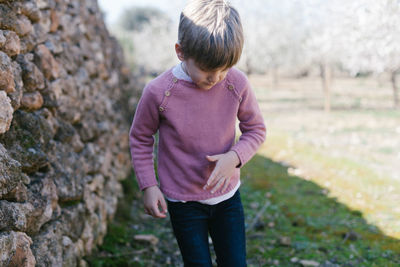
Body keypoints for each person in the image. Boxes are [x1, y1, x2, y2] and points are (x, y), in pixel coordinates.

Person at [129, 0, 266, 266]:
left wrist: (234, 157)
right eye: (207, 69)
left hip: (227, 198)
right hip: (183, 201)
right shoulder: (159, 91)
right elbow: (140, 138)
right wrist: (149, 185)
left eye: (224, 68)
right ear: (181, 52)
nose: (216, 77)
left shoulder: (237, 83)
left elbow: (256, 129)